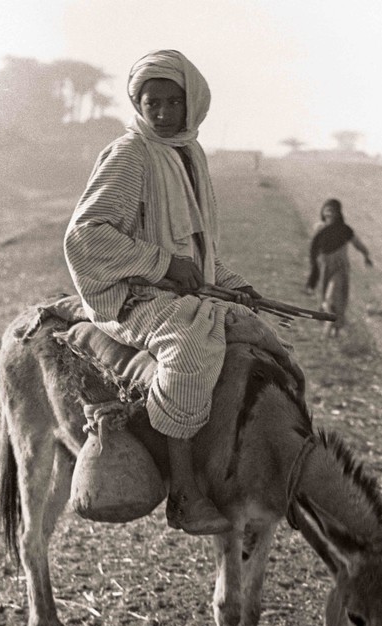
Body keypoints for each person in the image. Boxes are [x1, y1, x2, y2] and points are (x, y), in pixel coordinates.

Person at [64, 50, 261, 536]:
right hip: (129, 293)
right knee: (189, 348)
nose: (162, 112)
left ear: (193, 105)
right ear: (139, 103)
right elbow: (84, 236)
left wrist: (232, 284)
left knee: (260, 335)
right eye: (152, 102)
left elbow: (194, 248)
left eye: (174, 102)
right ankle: (184, 493)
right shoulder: (130, 154)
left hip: (173, 288)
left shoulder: (188, 153)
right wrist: (162, 264)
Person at [304, 199, 372, 336]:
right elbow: (314, 248)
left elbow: (357, 243)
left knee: (333, 296)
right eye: (327, 210)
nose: (329, 213)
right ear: (323, 212)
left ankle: (330, 328)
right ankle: (335, 327)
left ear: (338, 213)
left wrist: (366, 254)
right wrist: (313, 270)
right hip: (325, 267)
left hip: (340, 268)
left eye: (332, 210)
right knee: (325, 298)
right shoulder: (319, 228)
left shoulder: (345, 230)